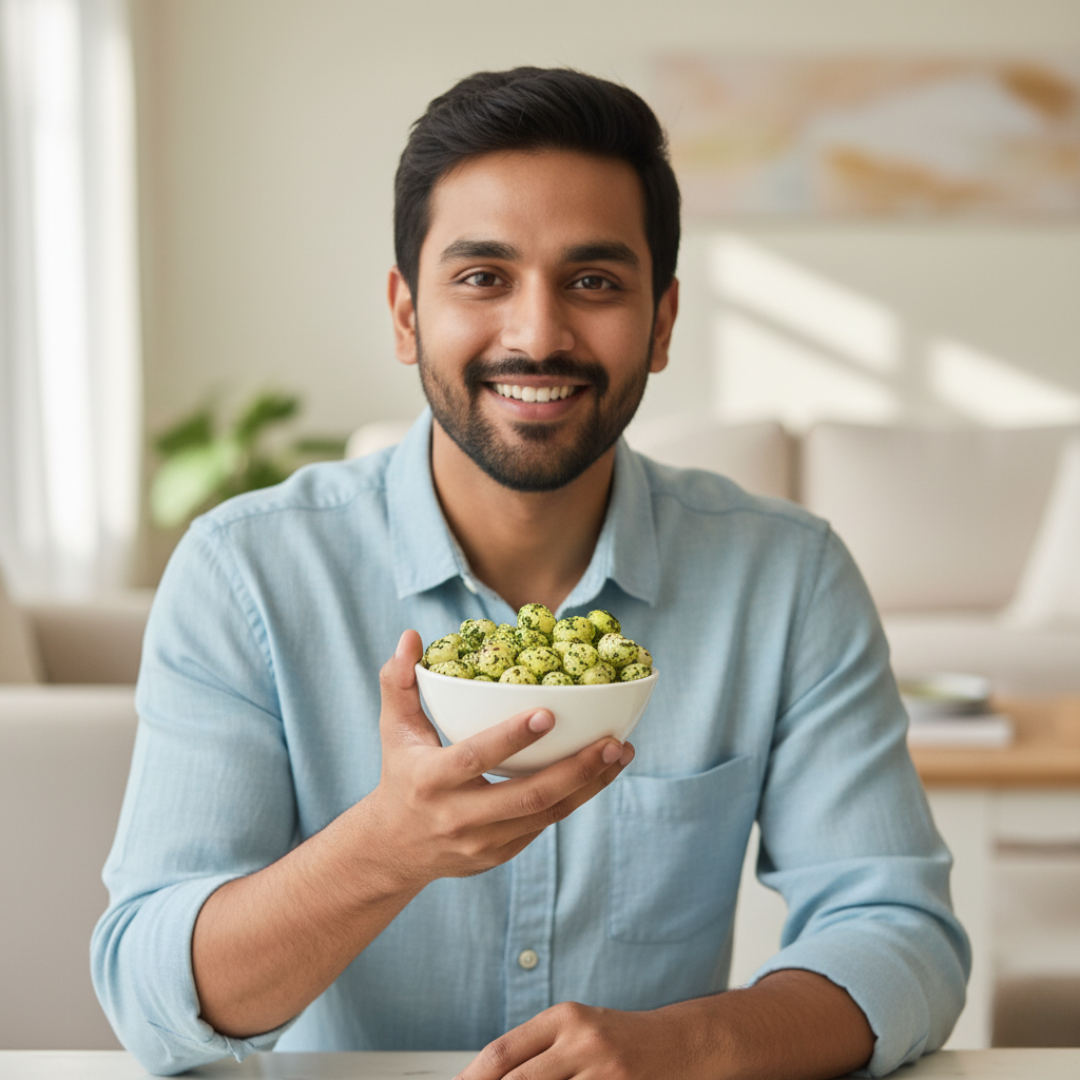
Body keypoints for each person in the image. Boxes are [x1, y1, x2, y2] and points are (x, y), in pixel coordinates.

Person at [92, 67, 969, 1079]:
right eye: (482, 278)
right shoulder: (247, 572)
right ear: (405, 312)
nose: (538, 334)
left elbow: (900, 932)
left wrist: (694, 1043)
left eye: (594, 281)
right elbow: (150, 998)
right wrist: (388, 845)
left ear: (665, 320)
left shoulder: (786, 577)